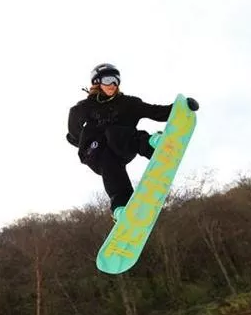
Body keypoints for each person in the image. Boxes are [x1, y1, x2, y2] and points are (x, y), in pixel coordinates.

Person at [66, 63, 199, 220]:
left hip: (123, 145)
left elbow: (156, 112)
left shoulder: (128, 103)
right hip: (95, 152)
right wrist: (87, 141)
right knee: (110, 165)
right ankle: (121, 207)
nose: (112, 85)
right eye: (108, 80)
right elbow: (73, 134)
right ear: (97, 82)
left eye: (116, 80)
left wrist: (181, 108)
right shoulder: (83, 108)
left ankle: (153, 145)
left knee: (115, 132)